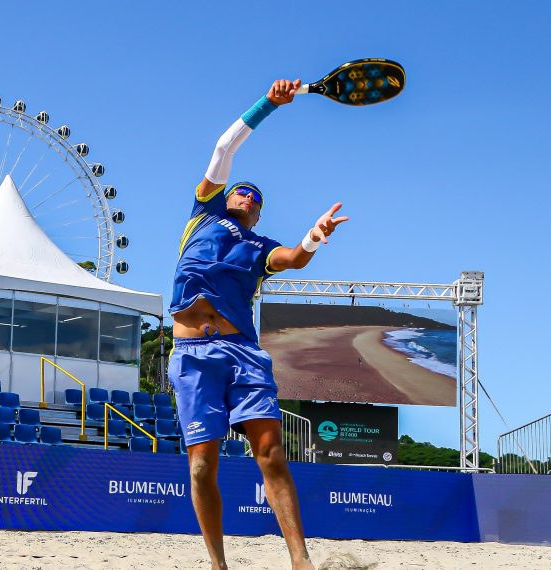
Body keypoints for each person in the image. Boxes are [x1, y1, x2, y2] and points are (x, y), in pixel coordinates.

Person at [168, 79, 348, 570]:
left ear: (259, 212)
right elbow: (226, 145)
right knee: (202, 465)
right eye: (241, 191)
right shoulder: (203, 214)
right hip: (192, 355)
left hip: (242, 352)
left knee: (270, 451)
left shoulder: (259, 247)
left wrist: (313, 235)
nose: (246, 196)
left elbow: (294, 259)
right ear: (228, 196)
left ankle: (300, 562)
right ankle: (219, 565)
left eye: (255, 197)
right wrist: (270, 103)